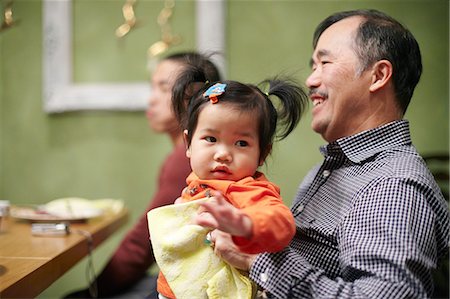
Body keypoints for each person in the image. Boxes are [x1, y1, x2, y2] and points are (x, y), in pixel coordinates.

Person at [195, 9, 450, 298]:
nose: (310, 81)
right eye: (312, 66)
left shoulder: (391, 184)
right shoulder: (338, 166)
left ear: (378, 75)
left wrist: (255, 259)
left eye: (324, 63)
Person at [63, 52, 221, 299]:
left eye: (163, 88)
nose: (151, 100)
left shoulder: (186, 158)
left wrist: (90, 293)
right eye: (152, 88)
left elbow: (142, 244)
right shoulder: (189, 154)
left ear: (194, 97)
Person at [148, 64, 309, 298]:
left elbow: (281, 223)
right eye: (211, 138)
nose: (223, 153)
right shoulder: (197, 181)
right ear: (188, 144)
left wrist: (244, 223)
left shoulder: (249, 190)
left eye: (241, 143)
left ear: (263, 153)